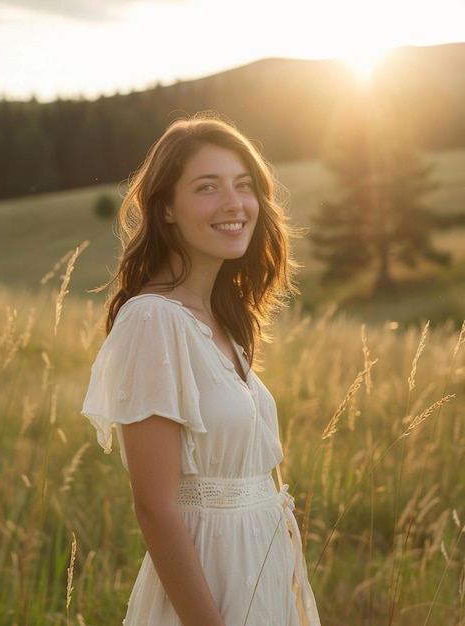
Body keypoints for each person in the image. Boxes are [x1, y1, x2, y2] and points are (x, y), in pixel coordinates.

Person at [82, 111, 321, 626]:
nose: (234, 204)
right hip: (208, 591)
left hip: (264, 576)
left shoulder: (222, 319)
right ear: (166, 208)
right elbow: (155, 507)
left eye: (244, 185)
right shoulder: (152, 320)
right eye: (208, 188)